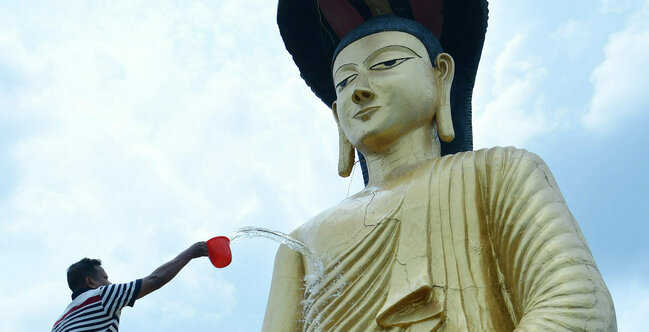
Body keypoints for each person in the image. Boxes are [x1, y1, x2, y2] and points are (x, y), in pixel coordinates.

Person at [263, 2, 616, 331]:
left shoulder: (498, 171)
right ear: (337, 114)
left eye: (386, 64)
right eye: (344, 81)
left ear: (440, 75)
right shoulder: (298, 245)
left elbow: (578, 304)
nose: (360, 90)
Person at [52, 242, 209, 332]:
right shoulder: (102, 296)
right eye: (105, 278)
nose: (110, 284)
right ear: (91, 282)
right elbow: (155, 280)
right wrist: (191, 253)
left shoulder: (58, 323)